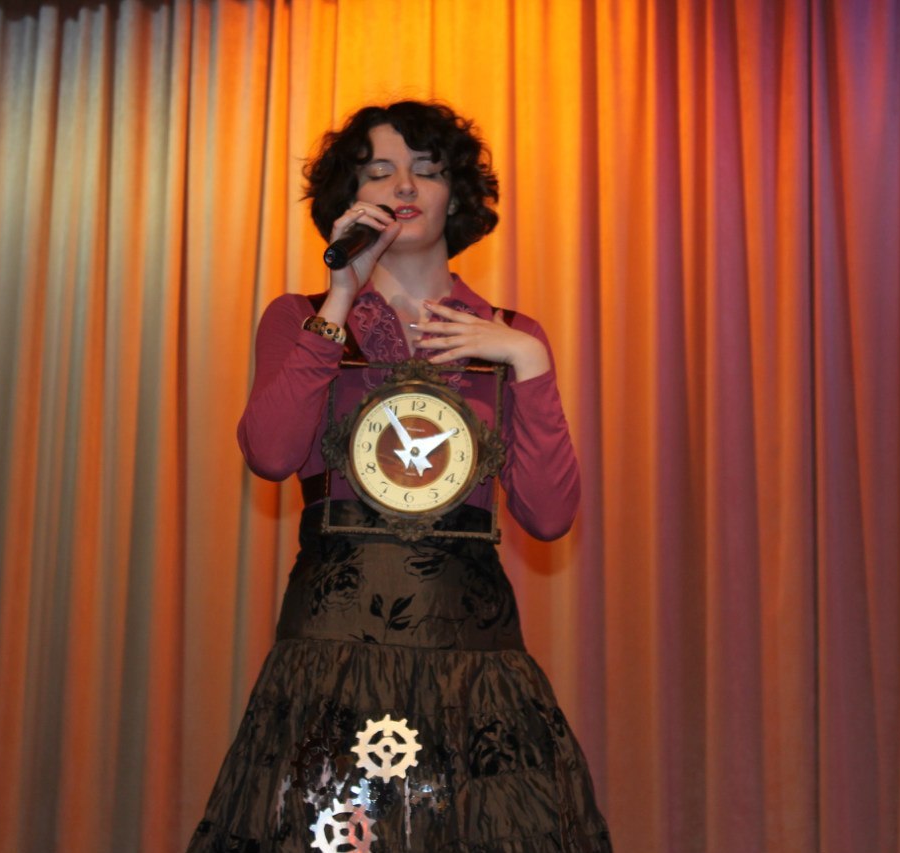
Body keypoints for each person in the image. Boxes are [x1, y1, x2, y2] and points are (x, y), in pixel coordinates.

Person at [187, 100, 611, 852]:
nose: (404, 187)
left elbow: (550, 516)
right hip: (331, 656)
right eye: (379, 171)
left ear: (457, 194)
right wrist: (341, 296)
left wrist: (530, 361)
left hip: (473, 665)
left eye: (426, 170)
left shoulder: (509, 335)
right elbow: (272, 453)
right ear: (351, 198)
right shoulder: (302, 316)